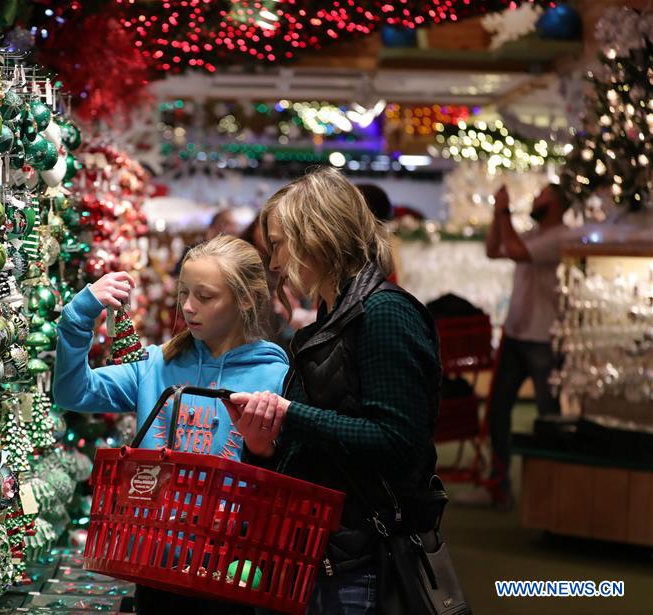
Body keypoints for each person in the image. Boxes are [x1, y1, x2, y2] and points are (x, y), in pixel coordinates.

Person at [223, 167, 442, 615]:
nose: (277, 264)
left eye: (281, 245)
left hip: (364, 562)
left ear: (318, 236)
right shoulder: (334, 317)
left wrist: (289, 415)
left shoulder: (383, 314)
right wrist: (263, 446)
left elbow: (399, 442)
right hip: (325, 554)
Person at [53, 235, 288, 615]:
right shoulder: (156, 364)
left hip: (232, 574)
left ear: (245, 299)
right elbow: (73, 392)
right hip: (154, 564)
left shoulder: (274, 376)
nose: (189, 308)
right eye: (184, 294)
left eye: (205, 297)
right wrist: (78, 315)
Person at [484, 183, 570, 510]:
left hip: (544, 338)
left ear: (557, 203)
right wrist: (497, 213)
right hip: (517, 334)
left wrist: (505, 211)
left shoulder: (560, 236)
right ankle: (499, 482)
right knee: (498, 411)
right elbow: (494, 250)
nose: (535, 198)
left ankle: (554, 488)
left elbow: (517, 252)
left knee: (548, 414)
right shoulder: (534, 233)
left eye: (542, 194)